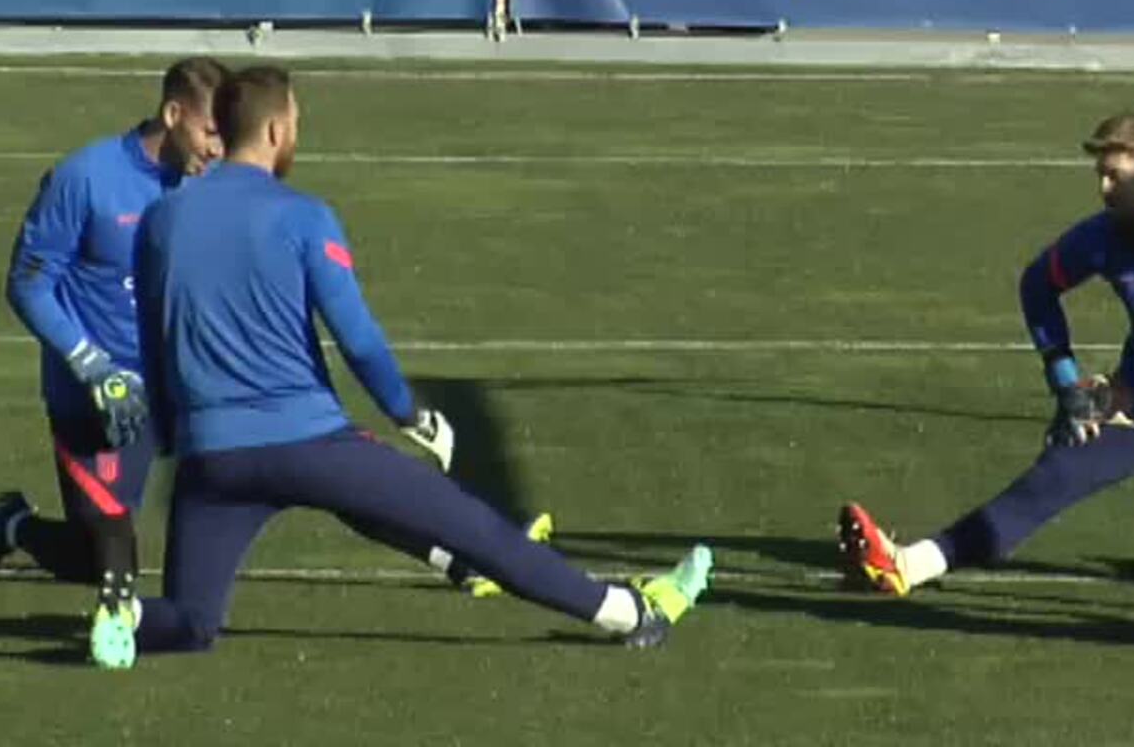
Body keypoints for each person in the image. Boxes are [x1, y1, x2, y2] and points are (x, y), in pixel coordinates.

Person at [115, 64, 709, 669]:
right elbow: (359, 340)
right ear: (273, 131)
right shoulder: (302, 215)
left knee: (192, 619)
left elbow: (152, 342)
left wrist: (173, 436)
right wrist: (408, 412)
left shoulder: (162, 219)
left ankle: (127, 615)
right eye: (295, 123)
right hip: (310, 445)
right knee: (475, 526)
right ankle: (630, 612)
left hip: (213, 457)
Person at [840, 110, 1134, 595]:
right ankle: (908, 564)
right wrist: (1066, 380)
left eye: (1115, 176)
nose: (1103, 189)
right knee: (1053, 479)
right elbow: (1038, 285)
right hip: (1132, 397)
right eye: (1100, 175)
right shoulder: (1105, 236)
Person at [0, 57, 228, 618]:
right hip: (91, 396)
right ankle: (14, 525)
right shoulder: (85, 179)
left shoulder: (208, 188)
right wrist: (92, 367)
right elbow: (27, 285)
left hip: (166, 390)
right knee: (104, 559)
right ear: (173, 114)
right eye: (210, 133)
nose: (219, 150)